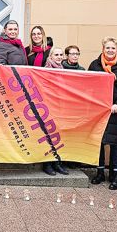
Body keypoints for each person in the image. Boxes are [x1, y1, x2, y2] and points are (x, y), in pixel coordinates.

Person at [88, 37, 117, 189]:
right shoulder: (95, 65)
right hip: (99, 110)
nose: (110, 50)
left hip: (116, 111)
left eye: (113, 48)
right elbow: (89, 86)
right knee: (98, 143)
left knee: (115, 144)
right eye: (107, 48)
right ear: (103, 48)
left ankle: (116, 176)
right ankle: (100, 172)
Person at [40, 46, 69, 176]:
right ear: (50, 56)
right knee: (48, 135)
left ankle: (57, 163)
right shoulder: (46, 70)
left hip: (60, 106)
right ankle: (48, 163)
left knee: (59, 135)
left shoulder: (64, 70)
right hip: (48, 106)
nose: (58, 57)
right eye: (56, 55)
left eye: (60, 55)